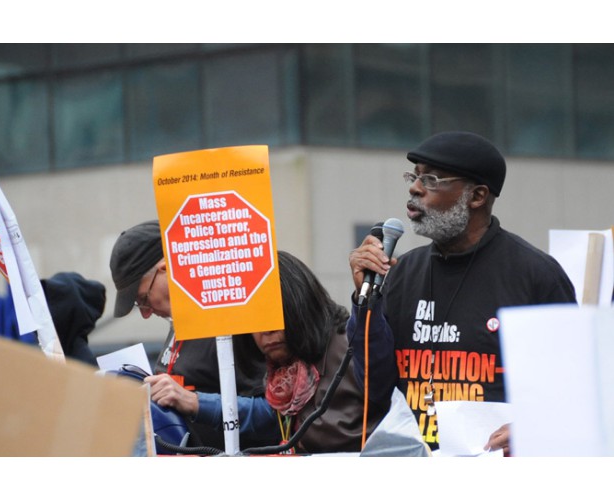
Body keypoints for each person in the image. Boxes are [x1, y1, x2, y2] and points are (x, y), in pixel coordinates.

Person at [347, 131, 577, 456]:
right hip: (412, 467)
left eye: (431, 178)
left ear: (477, 196)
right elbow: (375, 387)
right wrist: (365, 301)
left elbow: (573, 390)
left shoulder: (535, 275)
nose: (415, 187)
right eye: (414, 176)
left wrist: (535, 427)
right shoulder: (399, 273)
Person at [109, 220, 278, 451]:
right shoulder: (180, 319)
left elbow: (277, 415)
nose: (146, 313)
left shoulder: (232, 316)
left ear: (165, 270)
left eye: (144, 299)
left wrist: (192, 402)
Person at [249, 250, 388, 454]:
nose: (266, 330)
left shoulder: (351, 350)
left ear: (300, 304)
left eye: (276, 313)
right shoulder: (282, 366)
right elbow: (259, 414)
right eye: (256, 318)